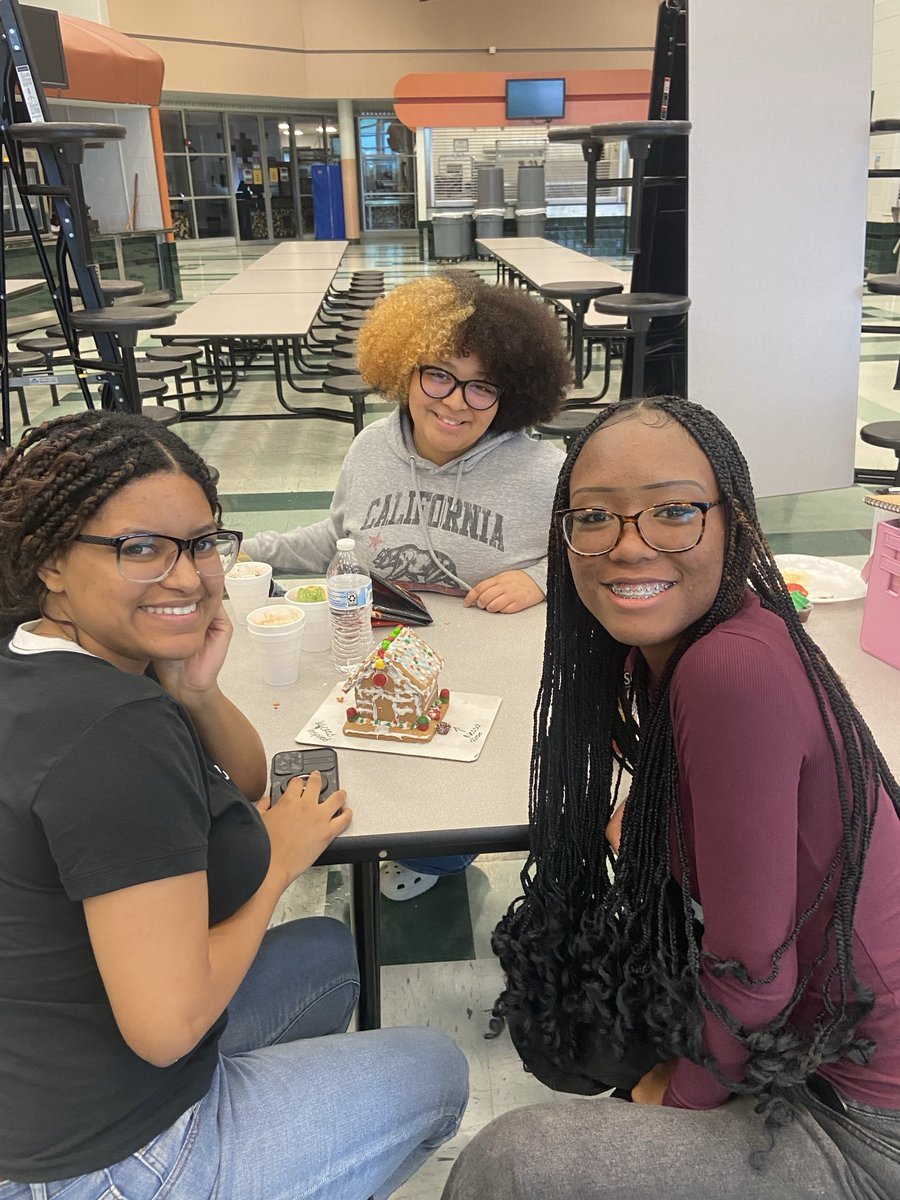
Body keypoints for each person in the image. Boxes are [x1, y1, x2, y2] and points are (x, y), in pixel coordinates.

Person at [0, 411, 468, 1200]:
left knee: (325, 957)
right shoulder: (113, 732)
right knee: (438, 1069)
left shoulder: (57, 656)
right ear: (50, 561)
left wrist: (193, 688)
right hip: (106, 1158)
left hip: (43, 1075)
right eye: (139, 548)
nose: (189, 577)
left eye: (201, 543)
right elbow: (167, 1028)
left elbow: (247, 777)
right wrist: (280, 862)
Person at [442, 396, 900, 1200]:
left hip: (862, 1115)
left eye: (675, 511)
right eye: (595, 517)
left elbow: (755, 977)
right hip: (809, 1045)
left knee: (511, 1159)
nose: (629, 546)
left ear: (736, 523)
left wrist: (675, 1100)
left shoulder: (728, 671)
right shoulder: (694, 645)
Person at [244, 270, 572, 901]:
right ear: (406, 368)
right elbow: (342, 539)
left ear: (512, 395)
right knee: (356, 757)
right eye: (439, 375)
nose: (454, 402)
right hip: (374, 655)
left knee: (459, 797)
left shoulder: (543, 471)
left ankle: (446, 860)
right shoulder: (370, 449)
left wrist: (540, 581)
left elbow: (593, 557)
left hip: (487, 673)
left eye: (482, 388)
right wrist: (249, 553)